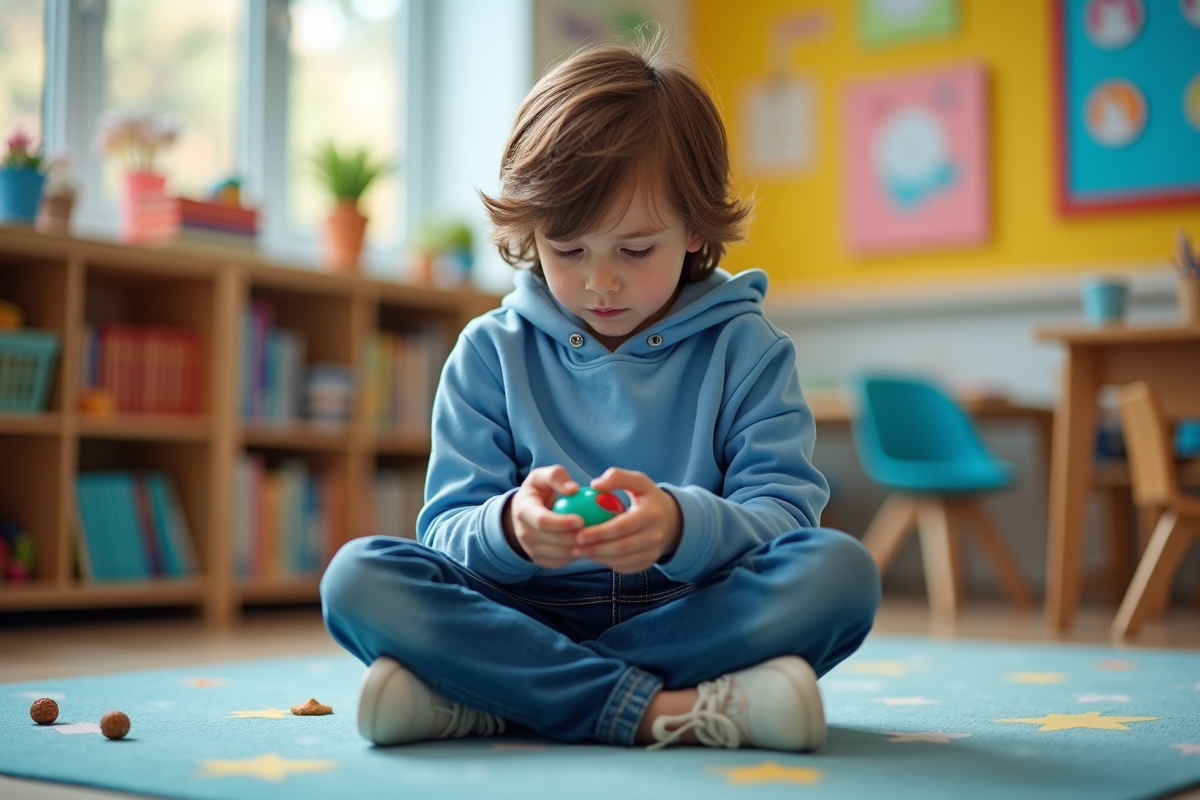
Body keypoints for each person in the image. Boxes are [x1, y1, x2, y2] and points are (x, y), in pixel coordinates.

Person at [320, 34, 881, 752]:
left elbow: (785, 517)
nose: (600, 280)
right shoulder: (489, 352)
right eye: (568, 249)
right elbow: (448, 530)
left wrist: (680, 525)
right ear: (532, 235)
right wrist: (512, 528)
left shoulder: (748, 349)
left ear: (694, 230)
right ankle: (672, 710)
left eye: (635, 249)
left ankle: (495, 699)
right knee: (359, 577)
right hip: (522, 615)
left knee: (839, 574)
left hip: (690, 612)